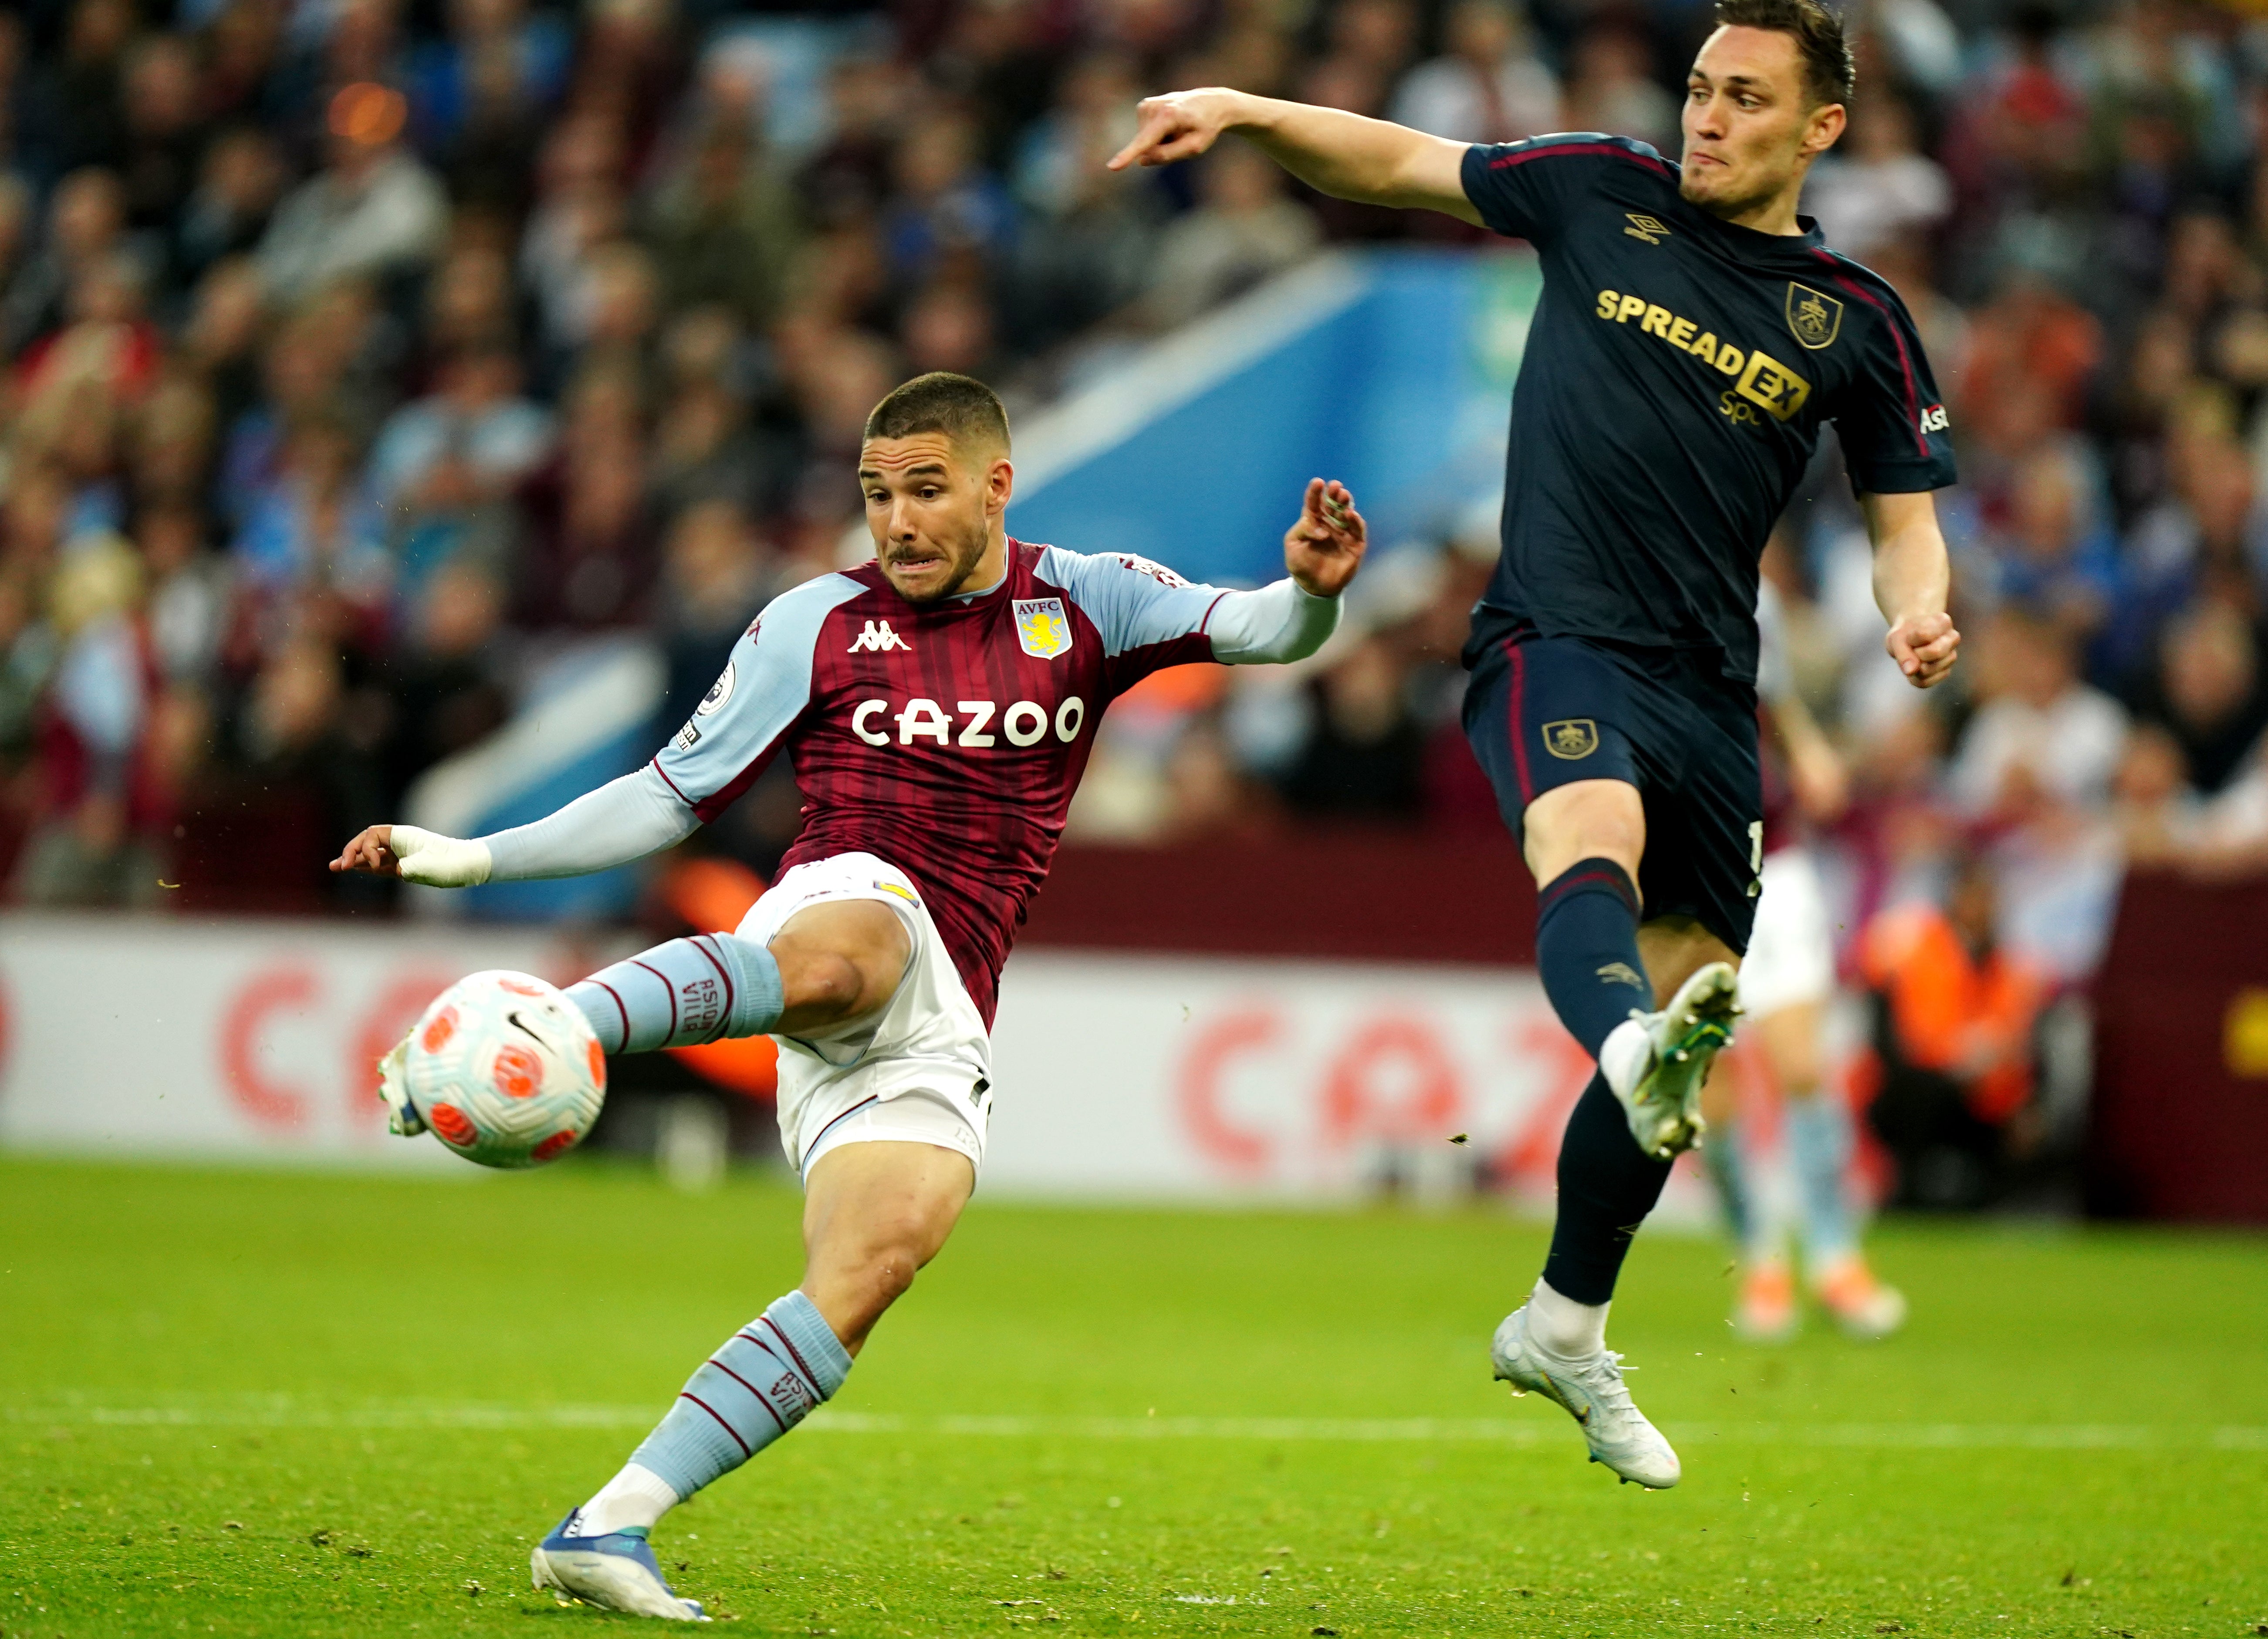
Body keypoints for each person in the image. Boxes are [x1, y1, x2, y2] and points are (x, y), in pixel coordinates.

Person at [330, 371, 1367, 1620]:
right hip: (845, 899)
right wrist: (472, 852)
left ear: (996, 484)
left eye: (925, 490)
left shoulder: (1090, 600)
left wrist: (1312, 587)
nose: (897, 522)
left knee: (875, 1264)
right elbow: (668, 794)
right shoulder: (813, 623)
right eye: (877, 494)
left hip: (952, 997)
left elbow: (1265, 632)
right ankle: (552, 1022)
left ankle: (606, 1524)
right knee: (850, 953)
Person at [1110, 0, 1959, 1489]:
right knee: (1590, 848)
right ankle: (1621, 1042)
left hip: (1714, 696)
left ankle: (1564, 1324)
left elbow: (1901, 521)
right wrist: (1245, 107)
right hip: (1551, 640)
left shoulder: (1853, 318)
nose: (1703, 117)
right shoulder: (1595, 190)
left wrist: (1919, 614)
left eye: (1743, 98)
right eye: (1697, 87)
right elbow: (1398, 163)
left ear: (1817, 128)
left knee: (1687, 1025)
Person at [1701, 583, 1906, 1342]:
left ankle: (1834, 1258)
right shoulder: (1627, 589)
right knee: (1711, 1086)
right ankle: (1759, 1257)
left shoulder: (1749, 598)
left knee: (1800, 1068)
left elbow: (1773, 687)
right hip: (1685, 881)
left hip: (1774, 869)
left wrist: (1807, 748)